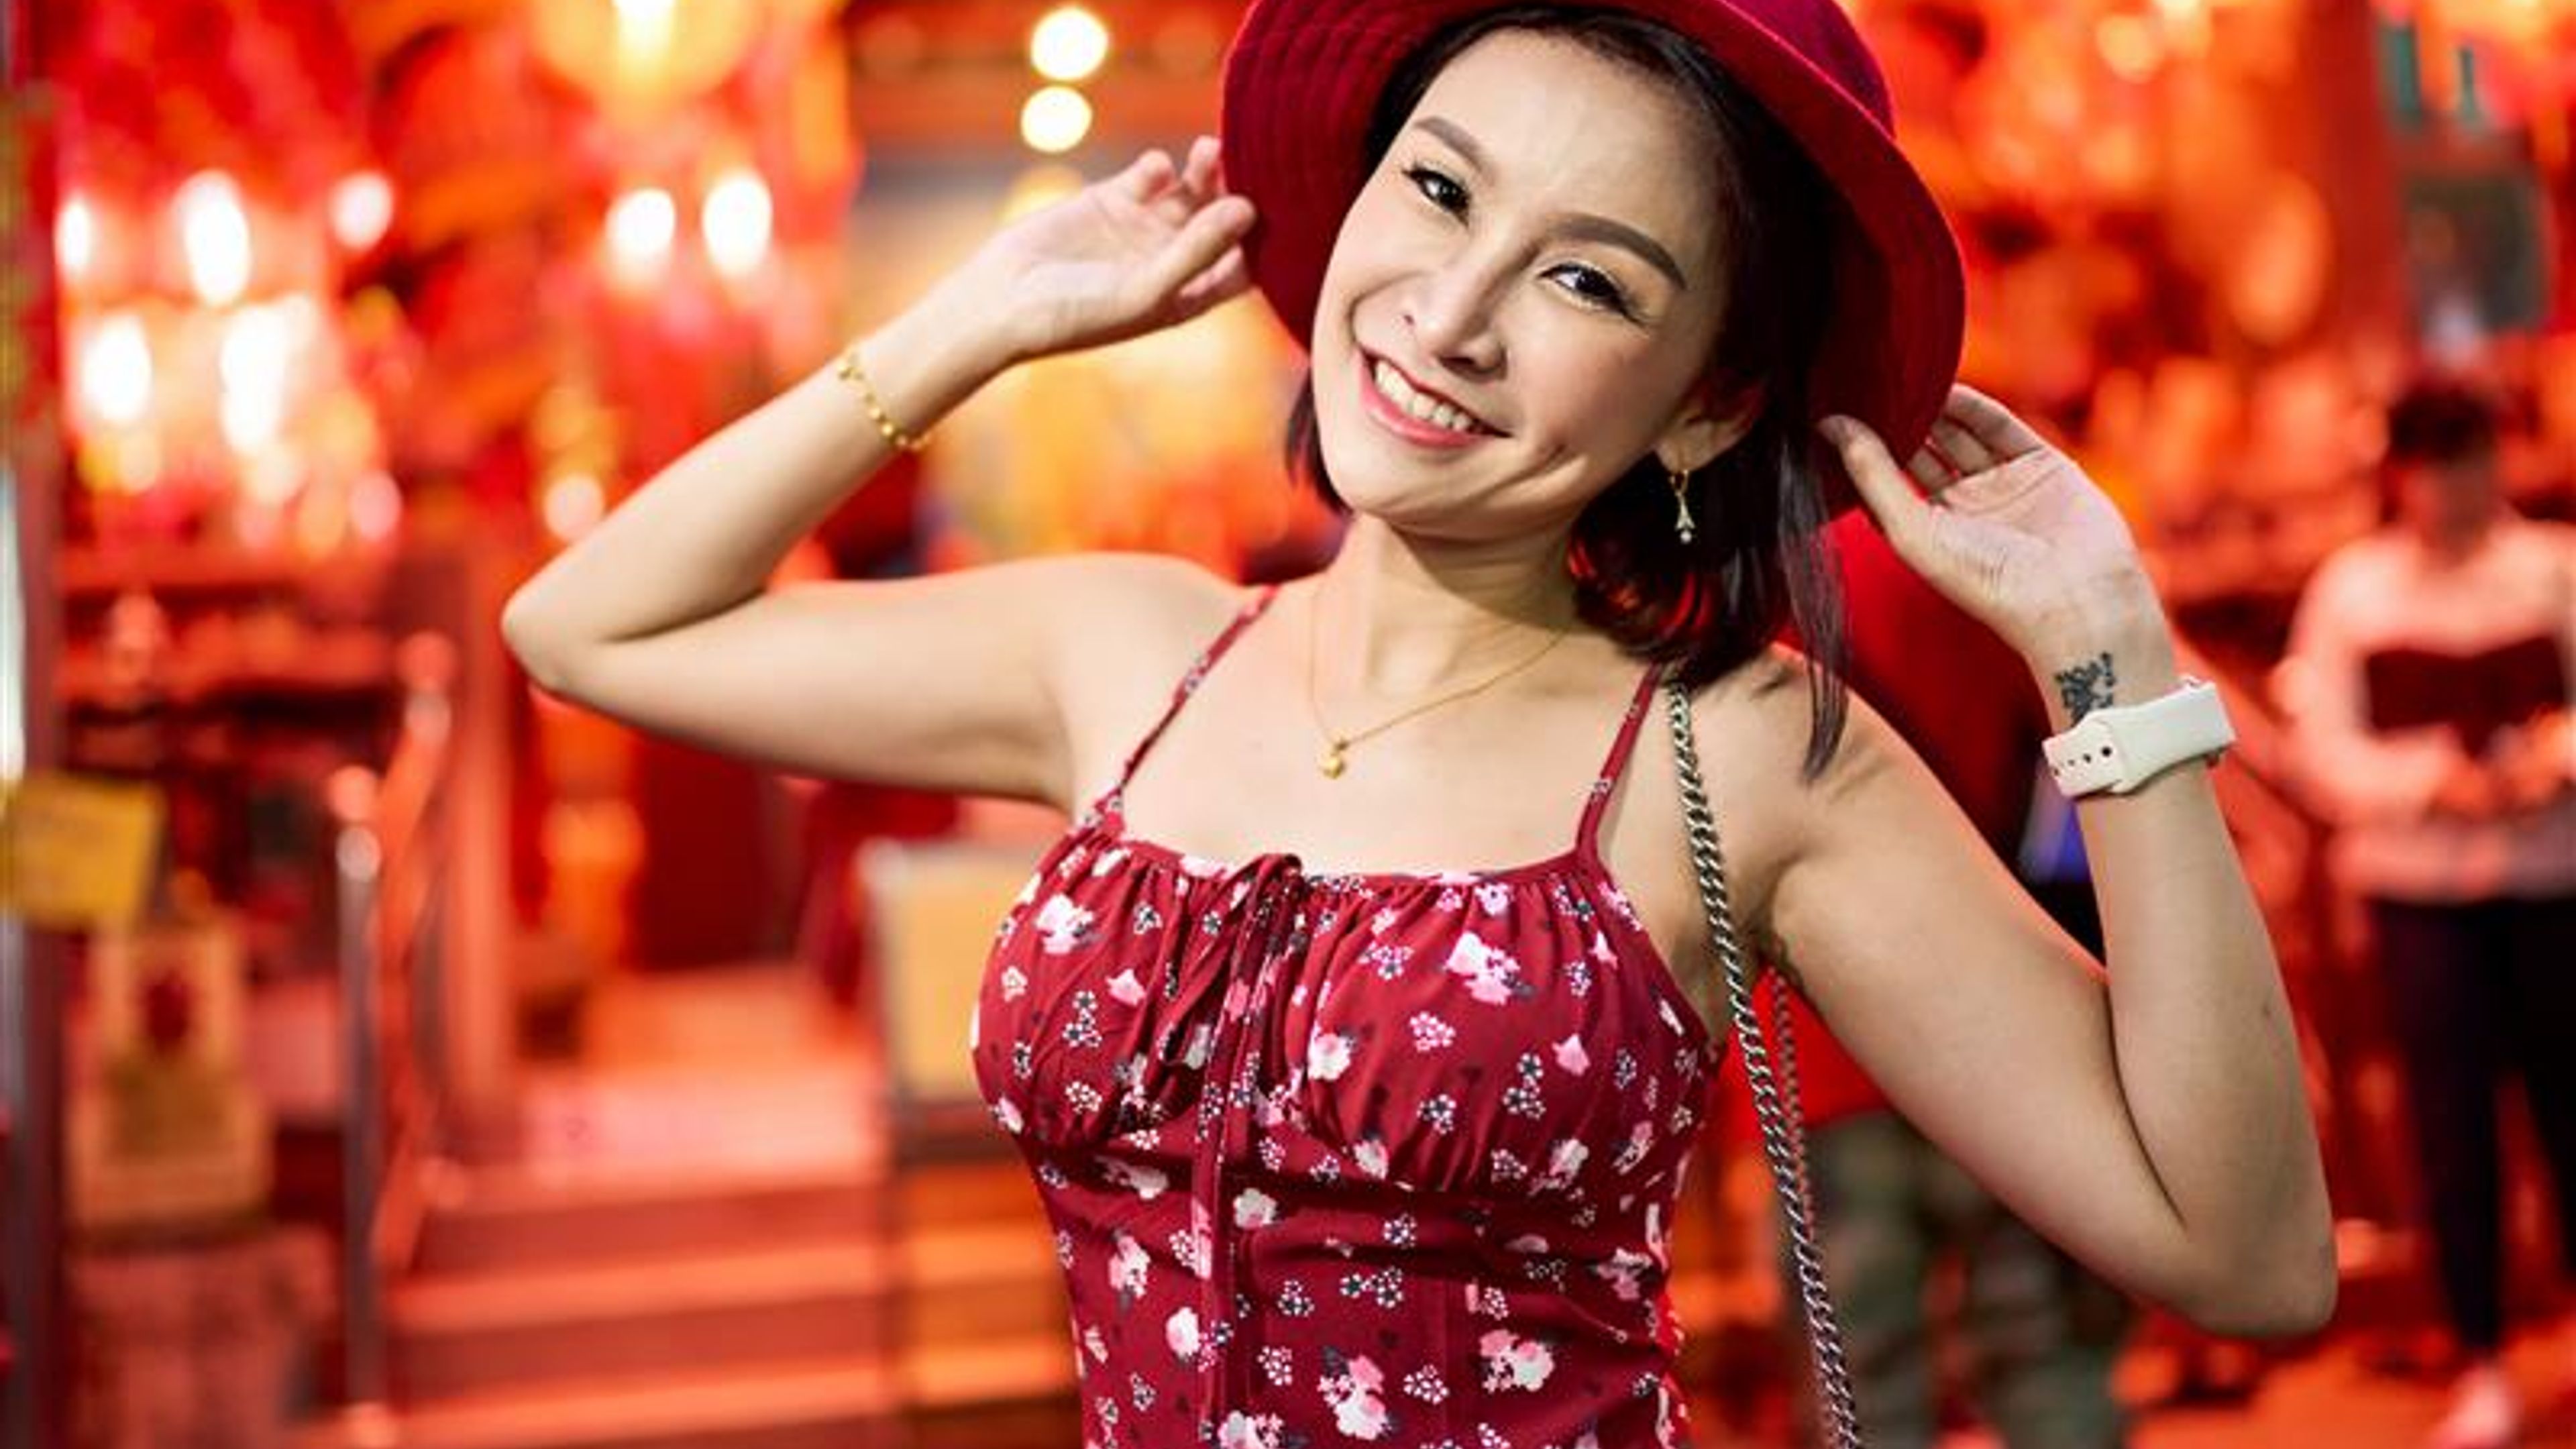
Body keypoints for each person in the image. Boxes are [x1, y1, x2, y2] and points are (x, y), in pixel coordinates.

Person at [501, 1, 2334, 1442]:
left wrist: (2108, 656)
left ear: (1703, 407)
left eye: (1586, 278)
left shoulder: (1738, 750)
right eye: (1441, 190)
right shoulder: (1135, 657)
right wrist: (973, 326)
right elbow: (589, 625)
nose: (1450, 315)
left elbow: (2244, 1255)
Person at [1742, 514, 2131, 1449]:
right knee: (2041, 1348)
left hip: (1824, 1046)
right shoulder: (1981, 546)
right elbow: (2077, 763)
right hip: (1999, 1023)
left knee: (1866, 1382)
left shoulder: (1736, 577)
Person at [2280, 378, 2576, 1449]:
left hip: (2552, 883)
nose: (2453, 487)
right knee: (2451, 1136)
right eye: (2433, 464)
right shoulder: (2353, 592)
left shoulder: (2551, 570)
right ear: (2398, 475)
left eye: (2471, 459)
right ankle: (2483, 1357)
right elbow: (2323, 748)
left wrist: (2551, 764)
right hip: (2422, 901)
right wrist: (2428, 789)